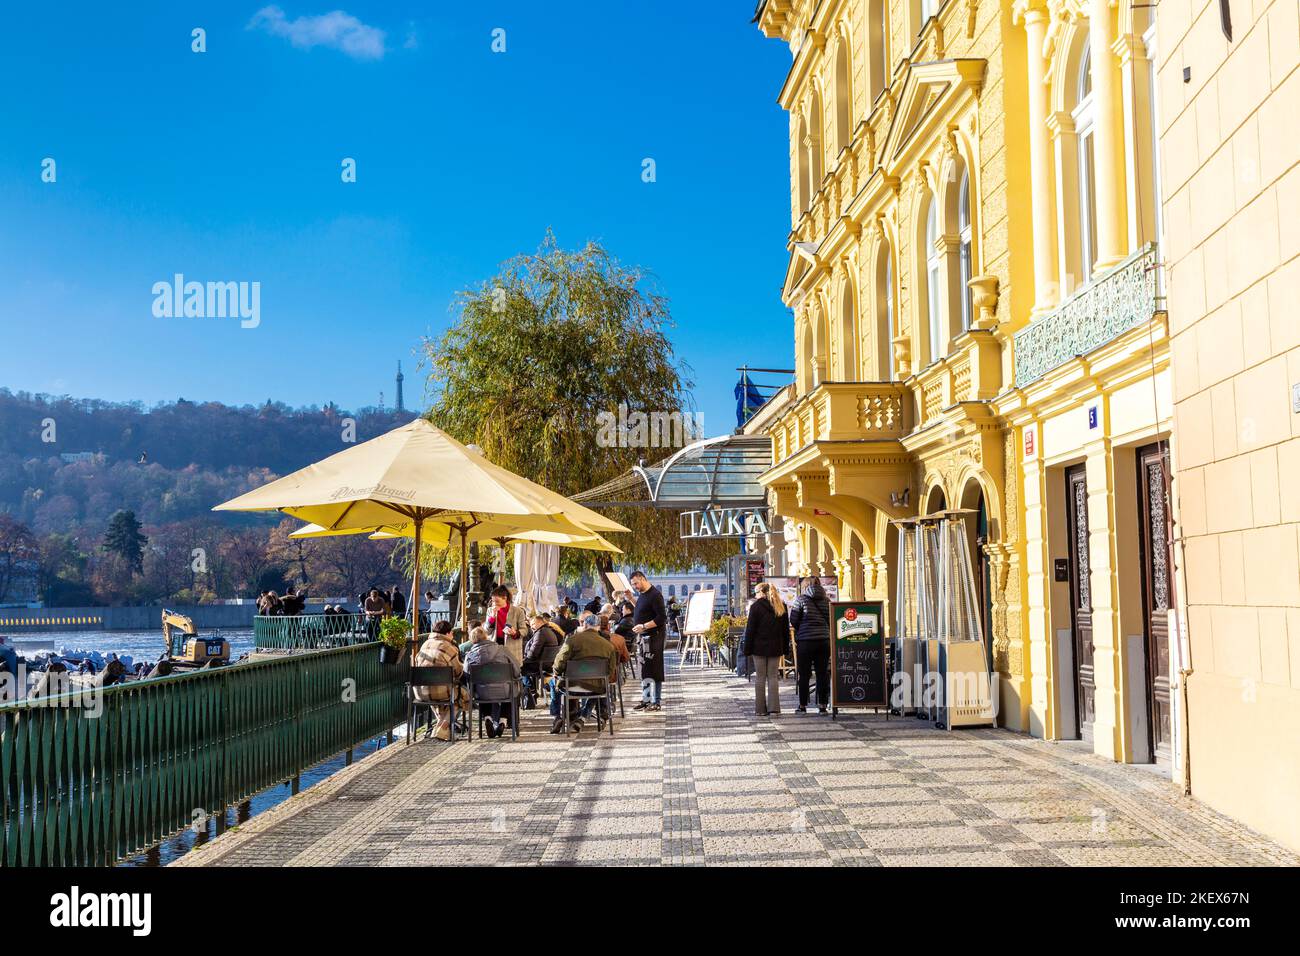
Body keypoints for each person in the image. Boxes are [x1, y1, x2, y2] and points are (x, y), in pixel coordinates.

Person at [548, 612, 618, 734]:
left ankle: (557, 716)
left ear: (584, 625)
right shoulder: (608, 646)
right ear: (598, 626)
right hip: (598, 687)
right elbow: (610, 671)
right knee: (596, 685)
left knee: (553, 682)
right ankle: (582, 717)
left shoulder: (572, 640)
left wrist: (556, 672)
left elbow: (559, 662)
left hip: (572, 686)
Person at [741, 582, 791, 717]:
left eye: (756, 592)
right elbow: (785, 631)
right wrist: (786, 648)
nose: (755, 595)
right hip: (776, 648)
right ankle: (774, 708)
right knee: (773, 677)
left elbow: (750, 630)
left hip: (759, 648)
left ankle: (760, 709)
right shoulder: (781, 606)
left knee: (760, 677)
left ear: (762, 593)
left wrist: (747, 649)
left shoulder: (755, 607)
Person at [463, 626, 520, 738]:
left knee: (483, 687)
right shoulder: (502, 649)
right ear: (486, 636)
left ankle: (488, 718)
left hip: (481, 693)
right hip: (505, 690)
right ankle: (503, 721)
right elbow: (516, 668)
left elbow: (466, 675)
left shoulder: (469, 655)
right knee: (510, 690)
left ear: (472, 640)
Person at [413, 621, 465, 741]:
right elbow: (458, 672)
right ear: (448, 633)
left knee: (438, 699)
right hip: (442, 691)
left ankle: (439, 728)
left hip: (420, 691)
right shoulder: (449, 647)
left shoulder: (424, 645)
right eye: (451, 633)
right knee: (460, 697)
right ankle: (442, 728)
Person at [788, 577, 831, 713]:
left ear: (805, 586)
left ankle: (803, 705)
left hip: (805, 642)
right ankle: (823, 705)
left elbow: (793, 619)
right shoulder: (827, 600)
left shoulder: (801, 599)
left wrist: (803, 629)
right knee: (822, 673)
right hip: (824, 641)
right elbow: (831, 618)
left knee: (804, 674)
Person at [629, 570, 667, 712]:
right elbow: (641, 609)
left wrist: (643, 626)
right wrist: (630, 598)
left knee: (655, 669)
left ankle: (656, 701)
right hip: (644, 638)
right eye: (633, 585)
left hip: (655, 636)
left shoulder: (656, 595)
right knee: (644, 669)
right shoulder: (643, 595)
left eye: (636, 584)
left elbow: (661, 618)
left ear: (643, 579)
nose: (635, 587)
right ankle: (646, 699)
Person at [522, 613, 561, 706]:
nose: (531, 626)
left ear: (539, 623)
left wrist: (525, 659)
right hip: (548, 663)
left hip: (540, 664)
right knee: (525, 667)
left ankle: (531, 690)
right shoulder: (549, 631)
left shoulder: (540, 633)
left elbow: (534, 652)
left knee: (520, 668)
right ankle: (532, 691)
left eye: (533, 624)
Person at [485, 585, 528, 668]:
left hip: (512, 646)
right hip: (495, 645)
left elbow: (524, 630)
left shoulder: (518, 611)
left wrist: (515, 632)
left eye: (497, 601)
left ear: (505, 598)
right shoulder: (490, 610)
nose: (494, 604)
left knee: (511, 672)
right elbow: (487, 631)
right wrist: (492, 618)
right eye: (493, 601)